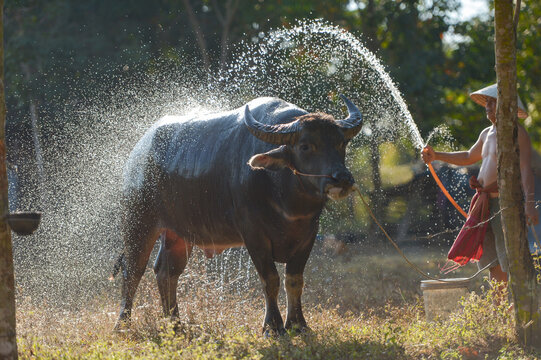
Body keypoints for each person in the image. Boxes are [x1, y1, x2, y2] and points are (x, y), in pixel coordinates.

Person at [421, 83, 539, 285]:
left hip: (506, 205)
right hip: (484, 205)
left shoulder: (516, 133)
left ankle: (519, 306)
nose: (488, 106)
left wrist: (529, 204)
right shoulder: (486, 133)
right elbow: (468, 156)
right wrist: (436, 155)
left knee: (510, 259)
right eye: (488, 102)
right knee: (491, 262)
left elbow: (525, 169)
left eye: (493, 103)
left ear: (507, 106)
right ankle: (499, 309)